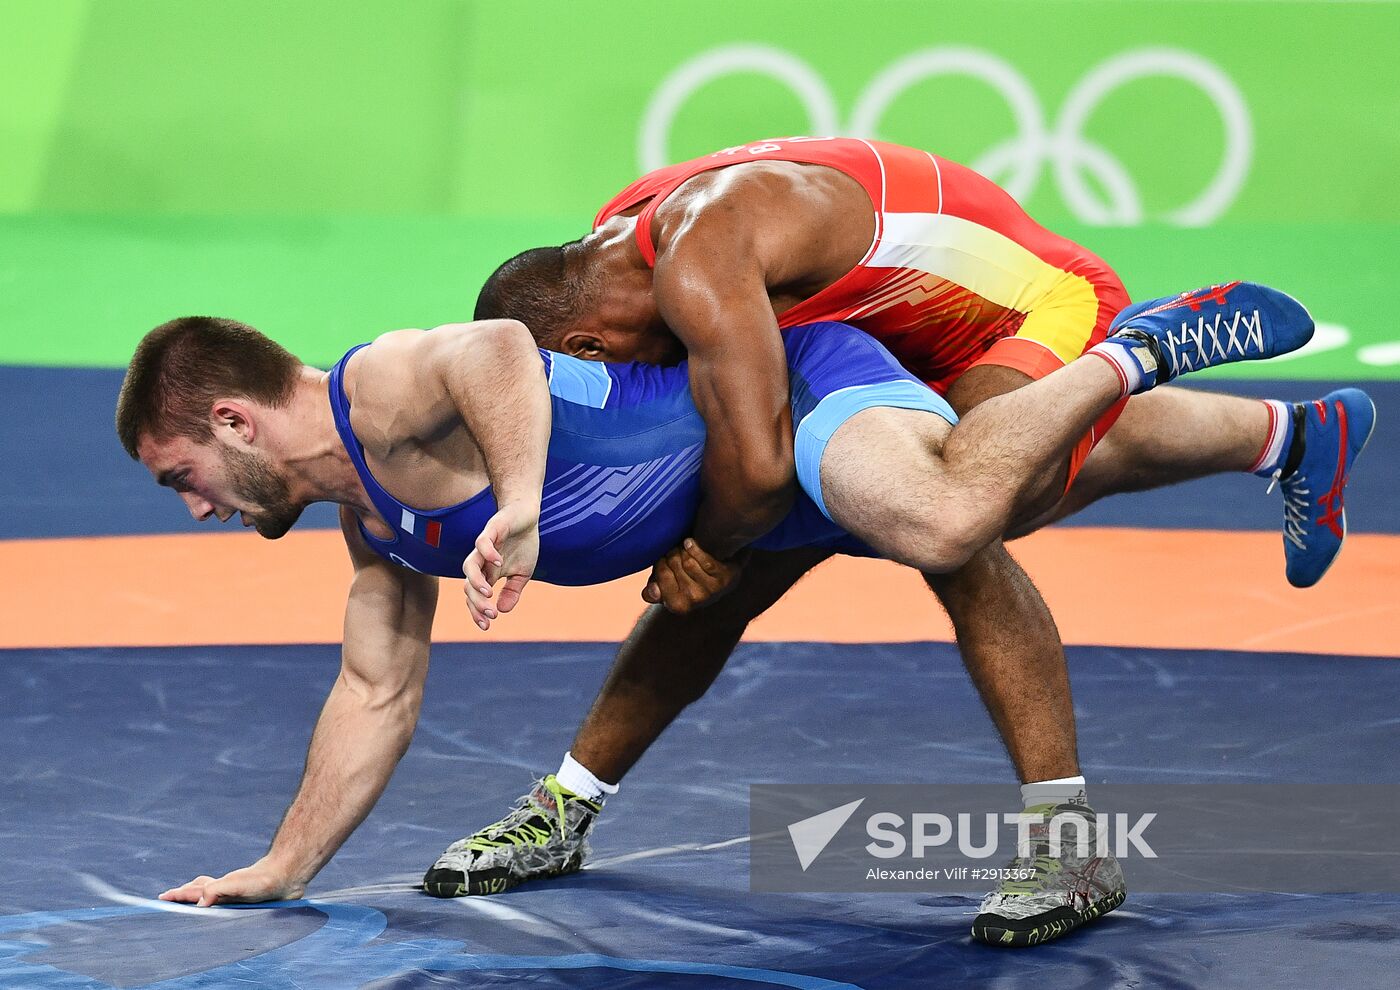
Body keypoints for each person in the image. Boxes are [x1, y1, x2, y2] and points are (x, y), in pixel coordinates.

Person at [120, 289, 1318, 947]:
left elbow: (494, 346)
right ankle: (1286, 433)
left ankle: (1130, 351)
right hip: (736, 509)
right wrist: (279, 868)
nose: (191, 512)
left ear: (234, 421)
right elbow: (373, 691)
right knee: (1047, 476)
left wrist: (525, 507)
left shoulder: (377, 385)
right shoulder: (374, 528)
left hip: (789, 397)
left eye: (181, 477)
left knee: (954, 530)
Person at [464, 136, 1377, 944]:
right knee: (782, 531)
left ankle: (1073, 848)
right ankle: (1288, 436)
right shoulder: (625, 237)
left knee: (960, 516)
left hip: (1028, 302)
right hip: (879, 328)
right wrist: (721, 541)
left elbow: (754, 460)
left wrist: (704, 546)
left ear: (584, 348)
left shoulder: (698, 259)